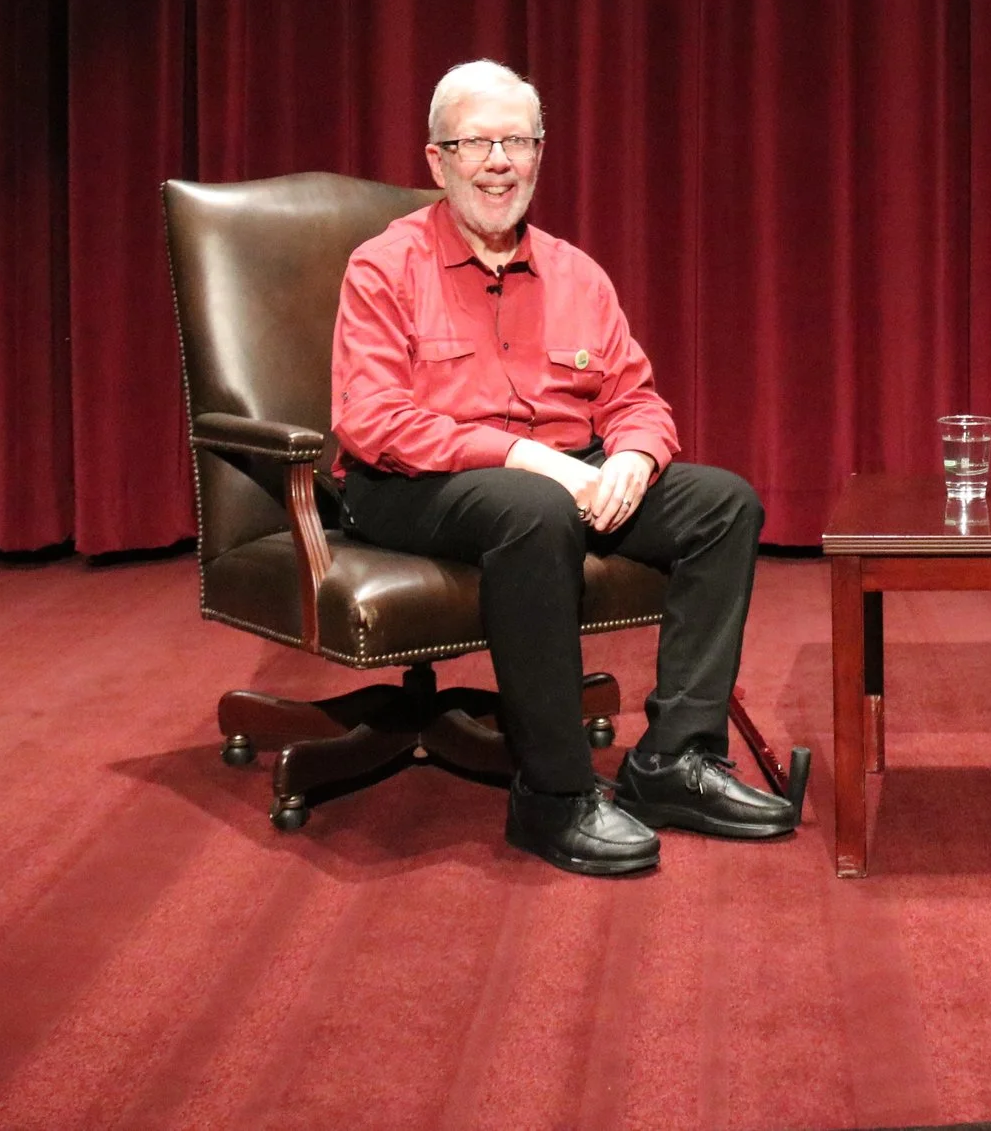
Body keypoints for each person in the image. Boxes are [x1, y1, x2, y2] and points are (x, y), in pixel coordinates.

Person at [331, 59, 795, 876]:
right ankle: (551, 795)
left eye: (517, 140)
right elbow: (373, 421)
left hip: (565, 469)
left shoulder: (577, 272)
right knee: (532, 508)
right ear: (437, 161)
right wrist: (527, 457)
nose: (500, 160)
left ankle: (675, 761)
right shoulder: (383, 266)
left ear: (541, 154)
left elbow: (636, 397)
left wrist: (633, 457)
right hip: (412, 482)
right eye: (477, 141)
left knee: (724, 502)